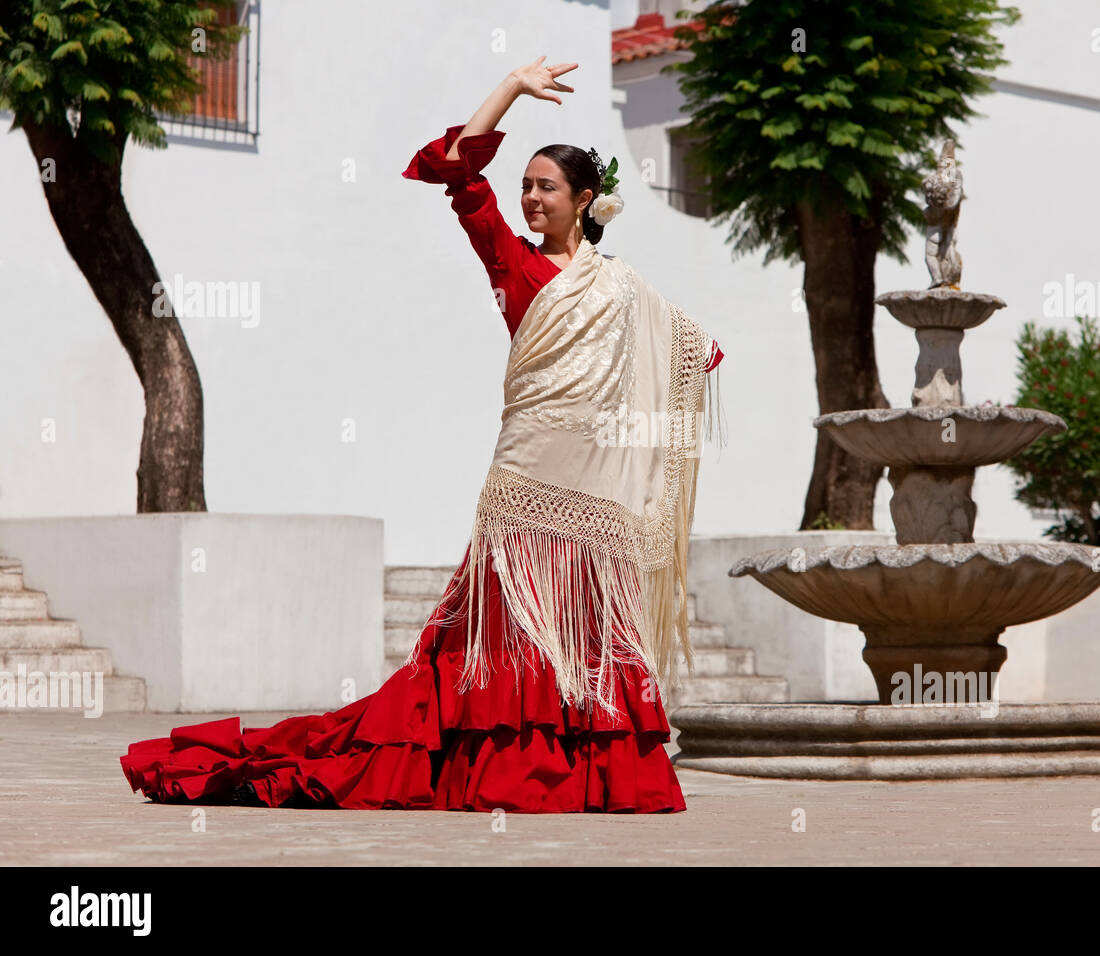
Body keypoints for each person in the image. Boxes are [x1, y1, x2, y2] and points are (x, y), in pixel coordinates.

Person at [118, 56, 725, 813]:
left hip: (595, 496)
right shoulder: (512, 260)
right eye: (526, 186)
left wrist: (682, 366)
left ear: (585, 200)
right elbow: (457, 173)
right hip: (526, 484)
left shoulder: (622, 288)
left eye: (546, 187)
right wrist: (509, 87)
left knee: (586, 633)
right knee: (505, 635)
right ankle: (501, 770)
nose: (530, 197)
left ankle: (588, 775)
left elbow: (690, 349)